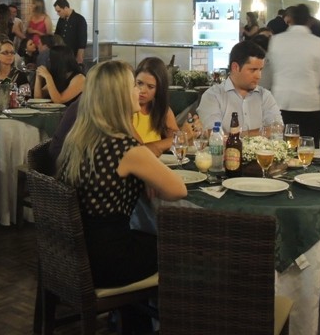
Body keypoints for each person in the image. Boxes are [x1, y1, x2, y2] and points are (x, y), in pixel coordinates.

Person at [57, 60, 187, 287]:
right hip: (109, 262)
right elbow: (178, 190)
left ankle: (138, 312)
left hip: (75, 253)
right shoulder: (126, 148)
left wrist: (144, 174)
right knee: (182, 247)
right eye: (134, 85)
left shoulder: (79, 138)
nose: (139, 91)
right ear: (119, 96)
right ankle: (164, 308)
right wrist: (146, 173)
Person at [267, 4, 320, 141]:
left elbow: (272, 69)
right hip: (309, 102)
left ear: (290, 19)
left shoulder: (276, 40)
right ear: (309, 21)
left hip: (282, 100)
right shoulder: (318, 43)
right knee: (309, 145)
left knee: (282, 146)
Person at [197, 40, 281, 134]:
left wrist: (235, 136)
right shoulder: (213, 96)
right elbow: (214, 135)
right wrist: (261, 134)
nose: (259, 76)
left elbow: (278, 129)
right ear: (235, 67)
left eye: (260, 70)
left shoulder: (265, 96)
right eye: (253, 70)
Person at [132, 57, 180, 156]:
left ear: (159, 90)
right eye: (139, 83)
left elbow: (179, 144)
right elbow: (139, 151)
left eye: (150, 87)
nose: (142, 90)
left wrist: (189, 133)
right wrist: (179, 138)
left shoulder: (162, 109)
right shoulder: (127, 110)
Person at [53, 0, 87, 65]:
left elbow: (82, 39)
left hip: (73, 54)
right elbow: (57, 35)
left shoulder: (79, 19)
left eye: (59, 11)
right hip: (62, 54)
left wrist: (80, 55)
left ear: (66, 8)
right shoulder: (61, 20)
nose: (58, 13)